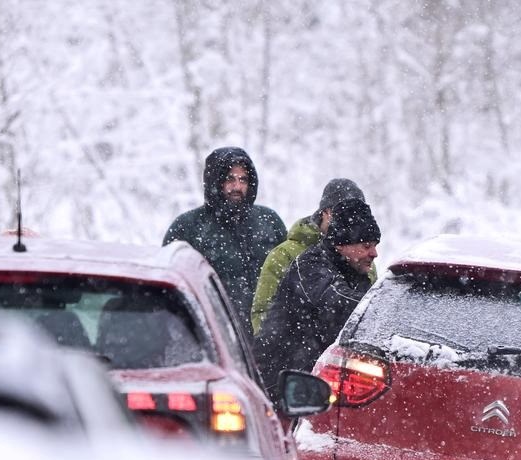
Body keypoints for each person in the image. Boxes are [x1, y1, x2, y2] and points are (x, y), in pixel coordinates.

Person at [255, 197, 380, 406]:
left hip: (317, 387)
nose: (374, 253)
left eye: (375, 246)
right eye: (366, 245)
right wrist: (387, 307)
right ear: (342, 244)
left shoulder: (356, 275)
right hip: (280, 388)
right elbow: (339, 302)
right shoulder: (310, 266)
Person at [163, 146, 286, 319]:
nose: (237, 186)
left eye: (243, 180)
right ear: (214, 181)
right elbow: (169, 290)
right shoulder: (188, 227)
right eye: (230, 179)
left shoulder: (269, 221)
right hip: (217, 334)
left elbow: (293, 276)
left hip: (269, 332)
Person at [251, 177, 371, 333]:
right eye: (346, 214)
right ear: (326, 213)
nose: (352, 222)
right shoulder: (284, 255)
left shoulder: (362, 258)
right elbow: (262, 313)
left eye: (357, 216)